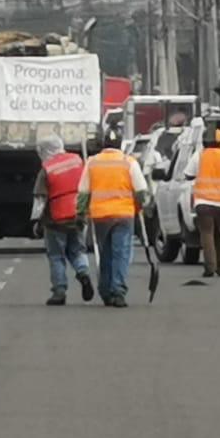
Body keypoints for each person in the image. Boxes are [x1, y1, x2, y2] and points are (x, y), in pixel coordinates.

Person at [76, 128, 151, 308]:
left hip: (100, 215)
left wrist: (81, 213)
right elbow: (141, 190)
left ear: (103, 144)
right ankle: (118, 291)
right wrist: (141, 206)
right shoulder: (129, 162)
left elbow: (83, 192)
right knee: (121, 254)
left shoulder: (92, 162)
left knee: (105, 253)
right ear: (120, 144)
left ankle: (105, 290)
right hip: (124, 215)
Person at [32, 134, 94, 306]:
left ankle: (59, 292)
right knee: (78, 251)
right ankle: (83, 274)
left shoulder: (46, 169)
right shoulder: (77, 161)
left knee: (56, 256)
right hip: (78, 216)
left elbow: (40, 200)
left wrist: (36, 221)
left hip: (56, 220)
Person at [183, 128, 220, 278]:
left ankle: (210, 267)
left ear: (204, 142)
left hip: (203, 203)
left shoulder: (199, 156)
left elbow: (188, 175)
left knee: (207, 234)